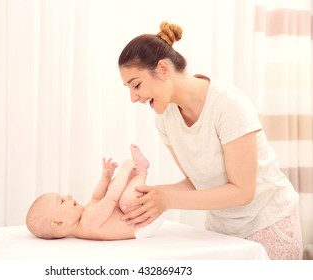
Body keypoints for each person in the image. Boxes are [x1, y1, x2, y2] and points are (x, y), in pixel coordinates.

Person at [117, 21, 302, 259]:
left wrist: (167, 199)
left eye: (136, 85)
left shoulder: (228, 105)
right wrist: (147, 195)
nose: (134, 98)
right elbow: (197, 182)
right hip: (221, 230)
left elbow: (243, 191)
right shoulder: (165, 120)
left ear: (163, 69)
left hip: (268, 225)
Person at [26, 145, 165, 240]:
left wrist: (106, 177)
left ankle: (136, 170)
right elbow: (111, 198)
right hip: (143, 224)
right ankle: (140, 173)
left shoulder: (85, 217)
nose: (68, 196)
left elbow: (97, 197)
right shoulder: (88, 223)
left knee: (112, 186)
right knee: (125, 201)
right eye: (62, 201)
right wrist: (123, 171)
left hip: (139, 216)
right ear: (59, 224)